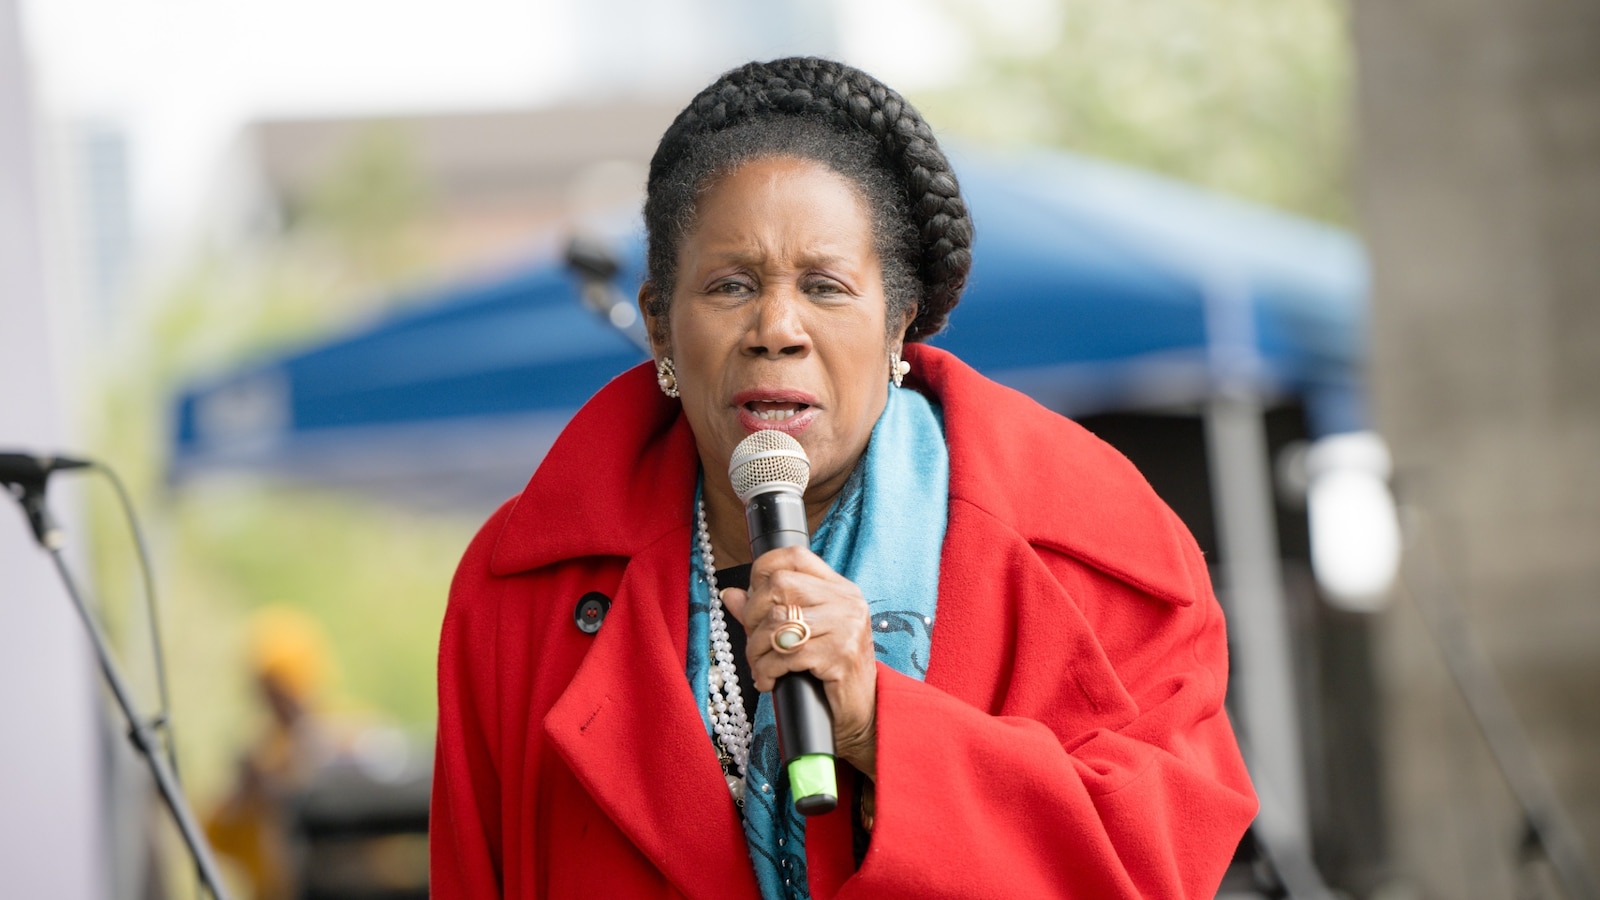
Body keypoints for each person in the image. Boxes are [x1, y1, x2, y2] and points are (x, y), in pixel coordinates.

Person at [431, 57, 1257, 899]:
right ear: (657, 324)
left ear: (900, 322)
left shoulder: (1099, 548)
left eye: (825, 288)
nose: (776, 328)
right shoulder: (519, 592)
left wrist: (877, 725)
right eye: (730, 286)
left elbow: (1151, 869)